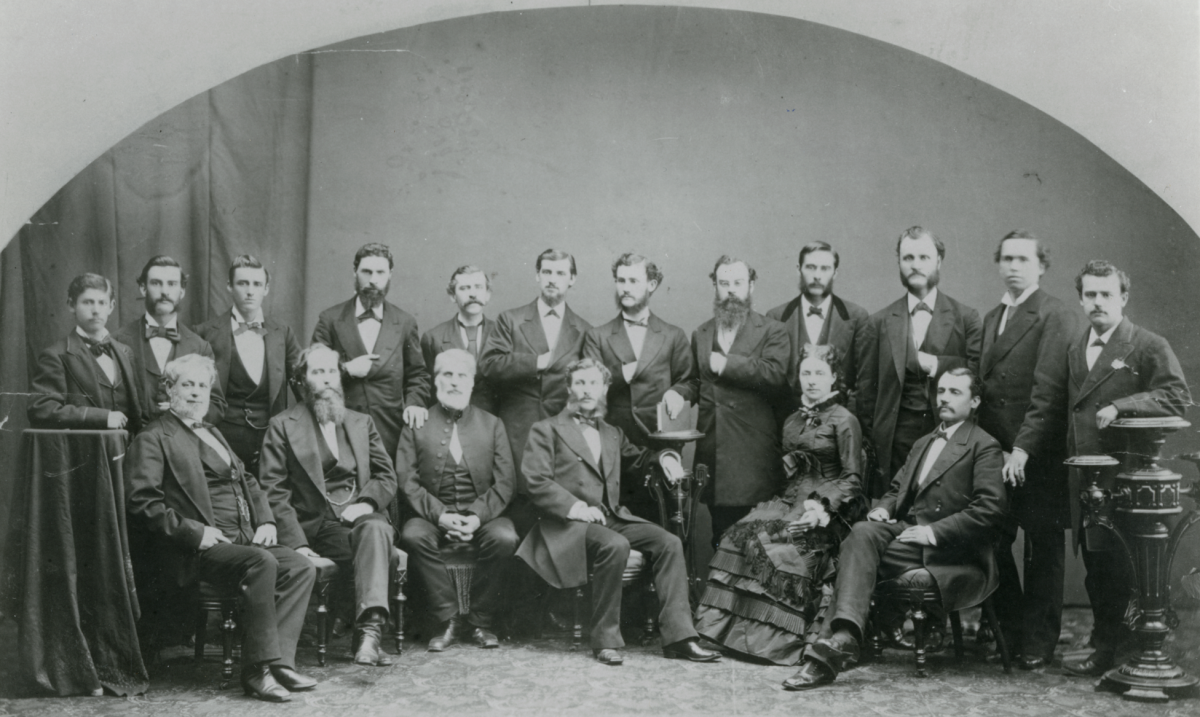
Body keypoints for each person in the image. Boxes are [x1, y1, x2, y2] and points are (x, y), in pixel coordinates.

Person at [784, 367, 1007, 690]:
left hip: (949, 546)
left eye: (955, 392)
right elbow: (896, 489)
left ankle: (827, 651)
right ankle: (844, 638)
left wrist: (933, 532)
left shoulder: (983, 445)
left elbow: (990, 510)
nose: (943, 397)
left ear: (974, 402)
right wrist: (881, 510)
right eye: (941, 390)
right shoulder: (924, 442)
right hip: (907, 534)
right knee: (861, 531)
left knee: (854, 556)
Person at [125, 354, 317, 702]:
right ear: (170, 389)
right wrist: (194, 533)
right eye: (188, 385)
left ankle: (281, 663)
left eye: (202, 385)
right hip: (193, 549)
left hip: (243, 539)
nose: (197, 393)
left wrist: (268, 520)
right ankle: (256, 672)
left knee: (300, 566)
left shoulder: (213, 432)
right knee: (262, 563)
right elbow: (143, 504)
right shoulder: (154, 437)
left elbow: (248, 480)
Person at [1035, 261, 1188, 677]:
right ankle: (1107, 647)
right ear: (1081, 298)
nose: (1097, 302)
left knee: (1121, 570)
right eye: (1090, 294)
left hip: (1128, 480)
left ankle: (1118, 651)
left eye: (1106, 294)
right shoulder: (1075, 347)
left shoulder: (1147, 344)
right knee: (1097, 571)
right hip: (1086, 479)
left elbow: (1177, 396)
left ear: (1123, 297)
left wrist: (1122, 405)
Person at [516, 358, 720, 666]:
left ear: (604, 389)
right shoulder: (546, 430)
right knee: (615, 545)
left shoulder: (611, 432)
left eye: (593, 383)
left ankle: (680, 638)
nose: (587, 390)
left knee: (669, 542)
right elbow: (535, 480)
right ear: (569, 388)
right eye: (580, 383)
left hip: (609, 516)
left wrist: (664, 458)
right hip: (566, 524)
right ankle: (604, 640)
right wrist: (576, 507)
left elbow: (638, 460)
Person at [695, 344, 865, 665]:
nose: (812, 380)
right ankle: (727, 635)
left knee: (782, 547)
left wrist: (821, 510)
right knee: (737, 536)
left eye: (819, 373)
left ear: (834, 378)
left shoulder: (845, 420)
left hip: (828, 511)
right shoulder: (792, 420)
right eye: (806, 373)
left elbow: (853, 479)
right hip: (788, 502)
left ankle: (773, 643)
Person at [257, 344, 400, 667]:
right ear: (303, 379)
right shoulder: (283, 424)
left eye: (332, 371)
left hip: (360, 518)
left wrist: (365, 503)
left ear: (340, 376)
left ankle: (368, 632)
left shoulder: (361, 422)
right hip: (316, 526)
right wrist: (298, 543)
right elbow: (273, 490)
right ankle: (368, 634)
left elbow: (386, 476)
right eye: (317, 372)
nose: (326, 380)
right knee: (383, 550)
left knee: (376, 526)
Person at [975, 231, 1079, 670]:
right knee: (991, 539)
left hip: (1036, 455)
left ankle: (1038, 640)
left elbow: (1048, 390)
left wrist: (1022, 449)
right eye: (1007, 259)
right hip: (995, 453)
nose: (1014, 266)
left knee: (1041, 549)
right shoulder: (993, 316)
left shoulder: (1054, 313)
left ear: (1041, 266)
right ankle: (1012, 626)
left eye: (1024, 259)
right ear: (999, 264)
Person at [396, 349, 518, 652]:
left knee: (505, 537)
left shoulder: (492, 424)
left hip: (484, 515)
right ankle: (447, 619)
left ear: (472, 382)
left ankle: (480, 621)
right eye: (446, 375)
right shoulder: (417, 422)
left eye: (462, 375)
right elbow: (406, 481)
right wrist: (440, 516)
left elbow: (505, 482)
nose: (454, 382)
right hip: (431, 516)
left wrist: (477, 516)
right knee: (412, 535)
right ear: (436, 381)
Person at [664, 255, 790, 547]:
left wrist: (727, 364)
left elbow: (776, 374)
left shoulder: (772, 330)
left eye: (738, 282)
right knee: (720, 538)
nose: (731, 290)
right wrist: (678, 393)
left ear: (751, 286)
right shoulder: (702, 332)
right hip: (714, 455)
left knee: (756, 543)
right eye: (724, 283)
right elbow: (696, 381)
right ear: (715, 286)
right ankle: (719, 595)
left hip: (752, 456)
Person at [856, 227, 982, 498]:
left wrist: (936, 365)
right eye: (908, 258)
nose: (915, 265)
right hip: (894, 438)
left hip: (948, 432)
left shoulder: (966, 318)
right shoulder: (877, 323)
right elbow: (866, 391)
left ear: (939, 261)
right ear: (899, 263)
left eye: (924, 257)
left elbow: (978, 376)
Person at [478, 248, 592, 528]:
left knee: (558, 518)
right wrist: (535, 362)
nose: (553, 279)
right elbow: (489, 365)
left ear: (572, 279)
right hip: (517, 433)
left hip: (561, 436)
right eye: (547, 272)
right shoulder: (511, 319)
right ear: (537, 276)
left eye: (560, 273)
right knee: (518, 516)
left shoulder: (585, 330)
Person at [582, 253, 695, 519]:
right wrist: (621, 373)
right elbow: (587, 388)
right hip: (611, 449)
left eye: (633, 280)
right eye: (621, 280)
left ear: (652, 285)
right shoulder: (597, 336)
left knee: (664, 528)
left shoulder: (673, 335)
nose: (625, 287)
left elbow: (690, 380)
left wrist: (678, 392)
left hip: (660, 448)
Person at [312, 242, 430, 460]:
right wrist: (346, 368)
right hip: (341, 427)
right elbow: (310, 371)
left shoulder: (404, 322)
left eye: (380, 272)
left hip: (390, 431)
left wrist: (415, 403)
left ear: (389, 275)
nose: (373, 279)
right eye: (366, 271)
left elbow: (418, 375)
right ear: (355, 272)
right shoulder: (329, 319)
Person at [195, 255, 302, 476]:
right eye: (243, 283)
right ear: (229, 286)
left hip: (271, 438)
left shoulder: (283, 333)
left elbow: (304, 385)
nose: (250, 291)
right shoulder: (205, 333)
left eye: (257, 284)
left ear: (266, 289)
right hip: (222, 437)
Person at [113, 255, 226, 425]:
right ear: (143, 289)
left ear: (181, 292)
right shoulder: (118, 341)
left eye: (172, 284)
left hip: (182, 445)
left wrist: (184, 411)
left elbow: (216, 406)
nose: (164, 291)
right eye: (156, 283)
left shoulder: (199, 346)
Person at [28, 272, 143, 432]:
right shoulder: (56, 355)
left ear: (111, 306)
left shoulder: (125, 352)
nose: (96, 310)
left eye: (102, 302)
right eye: (88, 302)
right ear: (71, 305)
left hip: (129, 451)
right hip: (86, 451)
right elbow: (41, 409)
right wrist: (101, 417)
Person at [766, 241, 868, 410]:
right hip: (788, 421)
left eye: (825, 268)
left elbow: (864, 381)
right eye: (811, 267)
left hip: (839, 420)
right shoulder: (776, 317)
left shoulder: (857, 317)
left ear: (835, 273)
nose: (817, 275)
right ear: (799, 269)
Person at [421, 265, 498, 414]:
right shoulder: (433, 338)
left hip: (493, 423)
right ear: (452, 296)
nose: (473, 294)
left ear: (487, 294)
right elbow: (427, 390)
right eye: (464, 288)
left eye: (478, 287)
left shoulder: (504, 334)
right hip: (448, 422)